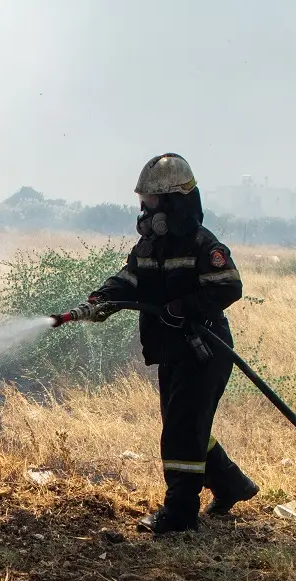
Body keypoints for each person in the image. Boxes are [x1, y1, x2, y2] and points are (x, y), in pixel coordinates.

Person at [79, 153, 258, 534]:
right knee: (186, 428)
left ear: (173, 202)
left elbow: (229, 286)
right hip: (173, 350)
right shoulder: (149, 247)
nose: (144, 209)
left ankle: (179, 515)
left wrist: (185, 306)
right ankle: (232, 484)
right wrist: (100, 301)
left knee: (181, 430)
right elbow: (129, 281)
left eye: (151, 201)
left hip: (205, 349)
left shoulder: (202, 244)